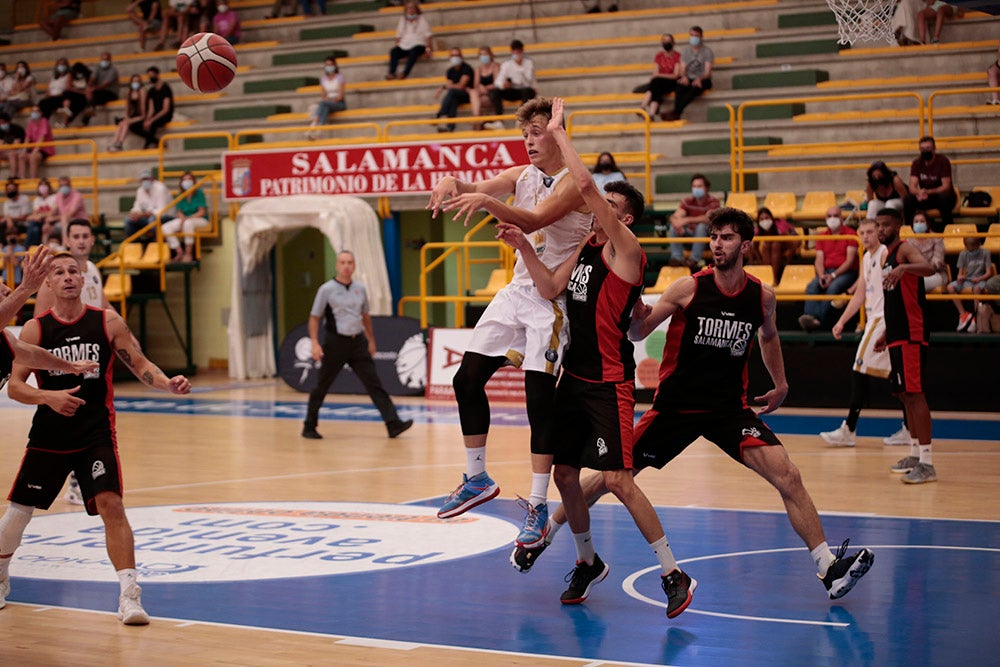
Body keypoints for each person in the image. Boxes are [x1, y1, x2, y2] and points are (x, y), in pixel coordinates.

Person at [518, 207, 876, 603]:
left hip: (728, 411)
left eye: (726, 237)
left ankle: (828, 567)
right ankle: (546, 535)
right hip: (675, 410)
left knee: (788, 474)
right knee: (610, 478)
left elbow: (769, 337)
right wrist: (636, 315)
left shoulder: (762, 297)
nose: (717, 244)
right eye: (714, 237)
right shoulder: (688, 288)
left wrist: (780, 383)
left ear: (745, 245)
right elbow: (639, 331)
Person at [499, 97, 695, 618]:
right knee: (565, 475)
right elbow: (547, 288)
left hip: (610, 382)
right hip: (574, 377)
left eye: (607, 206)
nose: (593, 209)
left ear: (623, 217)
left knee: (617, 481)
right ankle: (588, 562)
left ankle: (673, 572)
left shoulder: (627, 251)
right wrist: (523, 246)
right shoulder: (583, 249)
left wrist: (560, 134)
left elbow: (584, 187)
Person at [426, 97, 591, 545]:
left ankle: (537, 505)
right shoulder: (520, 175)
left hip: (549, 299)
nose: (529, 141)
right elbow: (479, 185)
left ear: (556, 134)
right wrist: (453, 181)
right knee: (466, 380)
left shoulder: (575, 184)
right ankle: (477, 477)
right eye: (524, 134)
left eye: (537, 132)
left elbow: (535, 217)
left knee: (537, 401)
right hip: (515, 291)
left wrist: (486, 203)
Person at [1, 251, 191, 623]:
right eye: (59, 272)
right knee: (19, 513)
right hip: (48, 436)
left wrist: (167, 383)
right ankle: (1, 577)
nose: (69, 276)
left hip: (95, 434)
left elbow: (138, 363)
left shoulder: (107, 321)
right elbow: (16, 388)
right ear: (50, 284)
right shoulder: (36, 328)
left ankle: (129, 595)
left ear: (85, 280)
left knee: (112, 505)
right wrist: (47, 397)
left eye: (75, 270)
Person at [34, 218, 112, 506]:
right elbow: (42, 323)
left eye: (85, 236)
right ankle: (61, 481)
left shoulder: (91, 271)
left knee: (93, 420)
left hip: (92, 355)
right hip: (65, 360)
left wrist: (123, 330)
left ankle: (80, 480)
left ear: (92, 240)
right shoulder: (54, 277)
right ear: (68, 240)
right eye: (75, 236)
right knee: (68, 421)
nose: (81, 241)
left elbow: (102, 304)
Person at [301, 251, 413, 440]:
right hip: (335, 342)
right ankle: (309, 426)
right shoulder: (326, 290)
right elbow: (314, 317)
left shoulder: (360, 289)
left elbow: (365, 316)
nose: (346, 266)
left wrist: (371, 340)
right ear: (337, 265)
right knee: (322, 384)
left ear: (354, 266)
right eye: (343, 262)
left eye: (350, 262)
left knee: (374, 383)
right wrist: (314, 343)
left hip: (358, 342)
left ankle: (393, 424)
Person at [820, 218, 910, 447]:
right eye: (863, 232)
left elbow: (895, 290)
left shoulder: (883, 254)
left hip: (883, 319)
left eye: (871, 231)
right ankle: (910, 428)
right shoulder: (867, 257)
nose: (867, 236)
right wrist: (841, 321)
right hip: (874, 319)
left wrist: (890, 322)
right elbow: (860, 294)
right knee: (896, 376)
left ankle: (849, 429)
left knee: (859, 370)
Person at [872, 207, 936, 483]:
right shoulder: (887, 256)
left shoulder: (905, 249)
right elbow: (894, 301)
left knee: (915, 393)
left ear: (898, 225)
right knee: (904, 395)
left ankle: (928, 462)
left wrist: (904, 267)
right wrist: (887, 331)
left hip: (912, 333)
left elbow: (929, 267)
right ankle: (913, 452)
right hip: (897, 333)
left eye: (886, 225)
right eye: (878, 226)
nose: (881, 230)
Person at [798, 205, 858, 331]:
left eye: (836, 216)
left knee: (833, 287)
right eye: (829, 216)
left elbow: (850, 261)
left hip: (847, 272)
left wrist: (833, 276)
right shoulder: (822, 235)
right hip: (826, 271)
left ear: (841, 218)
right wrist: (821, 275)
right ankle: (809, 317)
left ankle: (818, 319)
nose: (832, 219)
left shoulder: (851, 234)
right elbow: (819, 259)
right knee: (812, 286)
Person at [903, 136, 956, 232]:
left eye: (928, 148)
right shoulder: (916, 163)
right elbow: (912, 186)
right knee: (908, 199)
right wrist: (919, 193)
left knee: (943, 199)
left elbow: (946, 186)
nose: (925, 151)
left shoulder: (943, 161)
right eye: (922, 149)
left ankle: (949, 231)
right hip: (925, 197)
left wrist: (928, 192)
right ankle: (909, 231)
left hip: (942, 196)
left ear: (934, 149)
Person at [668, 173, 719, 269]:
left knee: (701, 226)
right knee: (673, 227)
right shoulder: (687, 201)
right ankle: (677, 259)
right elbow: (675, 217)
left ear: (706, 188)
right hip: (689, 236)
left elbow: (708, 218)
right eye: (694, 186)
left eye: (699, 186)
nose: (696, 188)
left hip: (707, 239)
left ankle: (694, 260)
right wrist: (677, 224)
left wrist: (686, 220)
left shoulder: (713, 202)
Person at [663, 26, 713, 121]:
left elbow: (707, 72)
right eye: (692, 35)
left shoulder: (707, 51)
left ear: (701, 37)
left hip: (703, 79)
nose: (693, 38)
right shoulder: (686, 51)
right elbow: (682, 68)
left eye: (696, 35)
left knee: (695, 88)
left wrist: (700, 79)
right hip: (689, 77)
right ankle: (676, 113)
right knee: (679, 86)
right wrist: (684, 76)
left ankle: (676, 112)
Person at [947, 235, 994, 332]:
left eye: (974, 249)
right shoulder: (963, 254)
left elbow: (989, 273)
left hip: (981, 280)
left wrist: (979, 278)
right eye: (969, 250)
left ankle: (976, 318)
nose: (971, 252)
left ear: (979, 245)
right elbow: (959, 273)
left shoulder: (986, 253)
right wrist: (960, 277)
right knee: (950, 287)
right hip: (967, 280)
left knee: (976, 289)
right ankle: (963, 314)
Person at [161, 171, 209, 263]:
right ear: (181, 182)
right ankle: (179, 252)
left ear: (194, 181)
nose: (187, 181)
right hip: (185, 219)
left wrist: (188, 218)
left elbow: (202, 212)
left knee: (188, 223)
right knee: (165, 227)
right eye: (184, 180)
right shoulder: (180, 195)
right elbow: (179, 212)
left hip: (200, 220)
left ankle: (188, 253)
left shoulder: (199, 193)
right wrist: (183, 219)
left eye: (189, 179)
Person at [489, 40, 537, 129]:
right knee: (495, 92)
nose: (517, 54)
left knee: (529, 92)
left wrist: (519, 67)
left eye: (519, 51)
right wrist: (503, 85)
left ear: (522, 51)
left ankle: (521, 119)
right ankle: (499, 121)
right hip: (511, 90)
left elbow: (529, 80)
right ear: (511, 52)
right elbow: (498, 82)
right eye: (515, 51)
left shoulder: (528, 63)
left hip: (524, 89)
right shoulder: (506, 64)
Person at [385, 1, 432, 81]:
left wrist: (428, 49)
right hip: (404, 45)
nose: (411, 10)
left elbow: (427, 35)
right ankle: (392, 73)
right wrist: (398, 46)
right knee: (394, 51)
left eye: (413, 8)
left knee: (414, 52)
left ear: (416, 9)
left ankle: (404, 73)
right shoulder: (402, 20)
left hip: (418, 44)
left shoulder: (421, 19)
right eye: (408, 8)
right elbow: (398, 36)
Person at [640, 32, 681, 121]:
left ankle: (643, 107)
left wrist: (659, 75)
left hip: (671, 81)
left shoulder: (677, 56)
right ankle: (651, 113)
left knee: (655, 84)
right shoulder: (659, 56)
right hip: (659, 83)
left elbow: (675, 75)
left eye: (668, 41)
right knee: (656, 86)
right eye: (664, 41)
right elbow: (655, 72)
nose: (666, 43)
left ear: (673, 43)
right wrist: (657, 75)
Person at [751, 206, 798, 283]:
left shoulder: (780, 225)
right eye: (761, 219)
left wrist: (787, 258)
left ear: (771, 218)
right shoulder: (758, 230)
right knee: (766, 246)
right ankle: (769, 277)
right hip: (770, 249)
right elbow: (754, 247)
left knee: (775, 244)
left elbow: (795, 242)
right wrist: (759, 260)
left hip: (786, 247)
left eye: (767, 218)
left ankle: (774, 278)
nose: (764, 221)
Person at [124, 169, 174, 240]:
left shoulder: (160, 188)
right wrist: (133, 214)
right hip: (148, 217)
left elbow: (161, 212)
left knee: (153, 220)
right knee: (128, 220)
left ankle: (157, 243)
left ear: (152, 179)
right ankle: (135, 246)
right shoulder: (140, 190)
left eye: (147, 179)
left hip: (167, 217)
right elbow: (137, 207)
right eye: (143, 180)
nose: (145, 182)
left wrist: (142, 215)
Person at [131, 67, 173, 149]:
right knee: (134, 125)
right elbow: (151, 109)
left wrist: (151, 120)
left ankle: (148, 144)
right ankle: (155, 141)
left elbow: (165, 109)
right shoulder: (151, 91)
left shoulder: (165, 89)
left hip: (165, 115)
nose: (151, 77)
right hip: (155, 115)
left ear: (157, 74)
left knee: (152, 124)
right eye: (149, 75)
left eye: (152, 75)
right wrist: (147, 119)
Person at [433, 48, 473, 132]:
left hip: (469, 95)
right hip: (457, 95)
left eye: (457, 55)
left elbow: (461, 86)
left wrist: (443, 88)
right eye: (453, 55)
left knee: (452, 92)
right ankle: (450, 127)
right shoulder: (450, 71)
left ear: (461, 57)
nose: (455, 57)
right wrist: (446, 87)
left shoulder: (466, 68)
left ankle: (441, 114)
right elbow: (449, 84)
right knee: (453, 99)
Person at [908, 212, 948, 292]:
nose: (919, 224)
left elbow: (938, 260)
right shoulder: (908, 241)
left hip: (935, 274)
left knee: (919, 283)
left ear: (928, 223)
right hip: (915, 274)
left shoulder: (937, 239)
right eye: (916, 222)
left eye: (922, 221)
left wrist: (923, 269)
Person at [308, 56, 346, 139]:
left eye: (330, 65)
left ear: (335, 65)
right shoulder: (323, 79)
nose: (329, 67)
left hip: (339, 103)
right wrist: (327, 101)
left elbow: (340, 96)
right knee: (324, 107)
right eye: (327, 65)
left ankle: (314, 124)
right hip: (327, 103)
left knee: (323, 104)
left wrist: (329, 100)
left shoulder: (340, 77)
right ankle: (319, 129)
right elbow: (323, 95)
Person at [108, 74, 146, 153]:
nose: (135, 83)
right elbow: (127, 109)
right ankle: (114, 143)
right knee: (122, 123)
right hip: (132, 117)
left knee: (126, 123)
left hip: (140, 117)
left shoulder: (142, 92)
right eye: (134, 81)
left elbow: (143, 114)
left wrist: (130, 120)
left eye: (137, 81)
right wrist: (127, 117)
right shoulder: (129, 92)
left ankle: (120, 143)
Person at [16, 106, 54, 180]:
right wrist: (24, 150)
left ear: (41, 113)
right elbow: (27, 137)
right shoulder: (31, 122)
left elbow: (41, 137)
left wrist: (35, 150)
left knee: (33, 157)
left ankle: (33, 179)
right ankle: (22, 179)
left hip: (45, 149)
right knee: (21, 156)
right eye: (33, 111)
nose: (34, 113)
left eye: (36, 111)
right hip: (34, 148)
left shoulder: (44, 121)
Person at [83, 52, 120, 125]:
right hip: (99, 91)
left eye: (106, 59)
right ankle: (90, 110)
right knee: (91, 95)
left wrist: (93, 89)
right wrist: (89, 87)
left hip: (111, 93)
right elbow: (92, 79)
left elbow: (105, 84)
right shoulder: (98, 68)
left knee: (97, 95)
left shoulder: (113, 70)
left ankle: (88, 113)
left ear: (110, 60)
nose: (104, 61)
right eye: (103, 59)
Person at [470, 46, 500, 130]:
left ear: (490, 55)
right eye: (481, 54)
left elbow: (497, 83)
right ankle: (477, 119)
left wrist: (486, 88)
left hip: (493, 95)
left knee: (475, 98)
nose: (483, 56)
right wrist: (481, 87)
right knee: (473, 93)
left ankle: (477, 121)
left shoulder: (495, 66)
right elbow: (476, 85)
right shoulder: (478, 69)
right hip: (482, 96)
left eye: (485, 54)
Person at [26, 178, 56, 247]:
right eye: (41, 185)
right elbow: (34, 214)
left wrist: (40, 215)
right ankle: (33, 248)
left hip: (50, 222)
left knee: (34, 226)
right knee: (34, 228)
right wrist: (38, 216)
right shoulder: (37, 200)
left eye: (45, 185)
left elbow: (52, 212)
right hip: (39, 222)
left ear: (49, 187)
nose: (43, 187)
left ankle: (27, 246)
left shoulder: (54, 197)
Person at [0, 111, 25, 176]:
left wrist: (6, 146)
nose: (1, 124)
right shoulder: (0, 131)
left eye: (2, 122)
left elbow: (16, 146)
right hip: (6, 151)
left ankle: (13, 176)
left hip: (20, 150)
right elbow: (1, 145)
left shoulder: (17, 129)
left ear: (8, 121)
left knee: (12, 154)